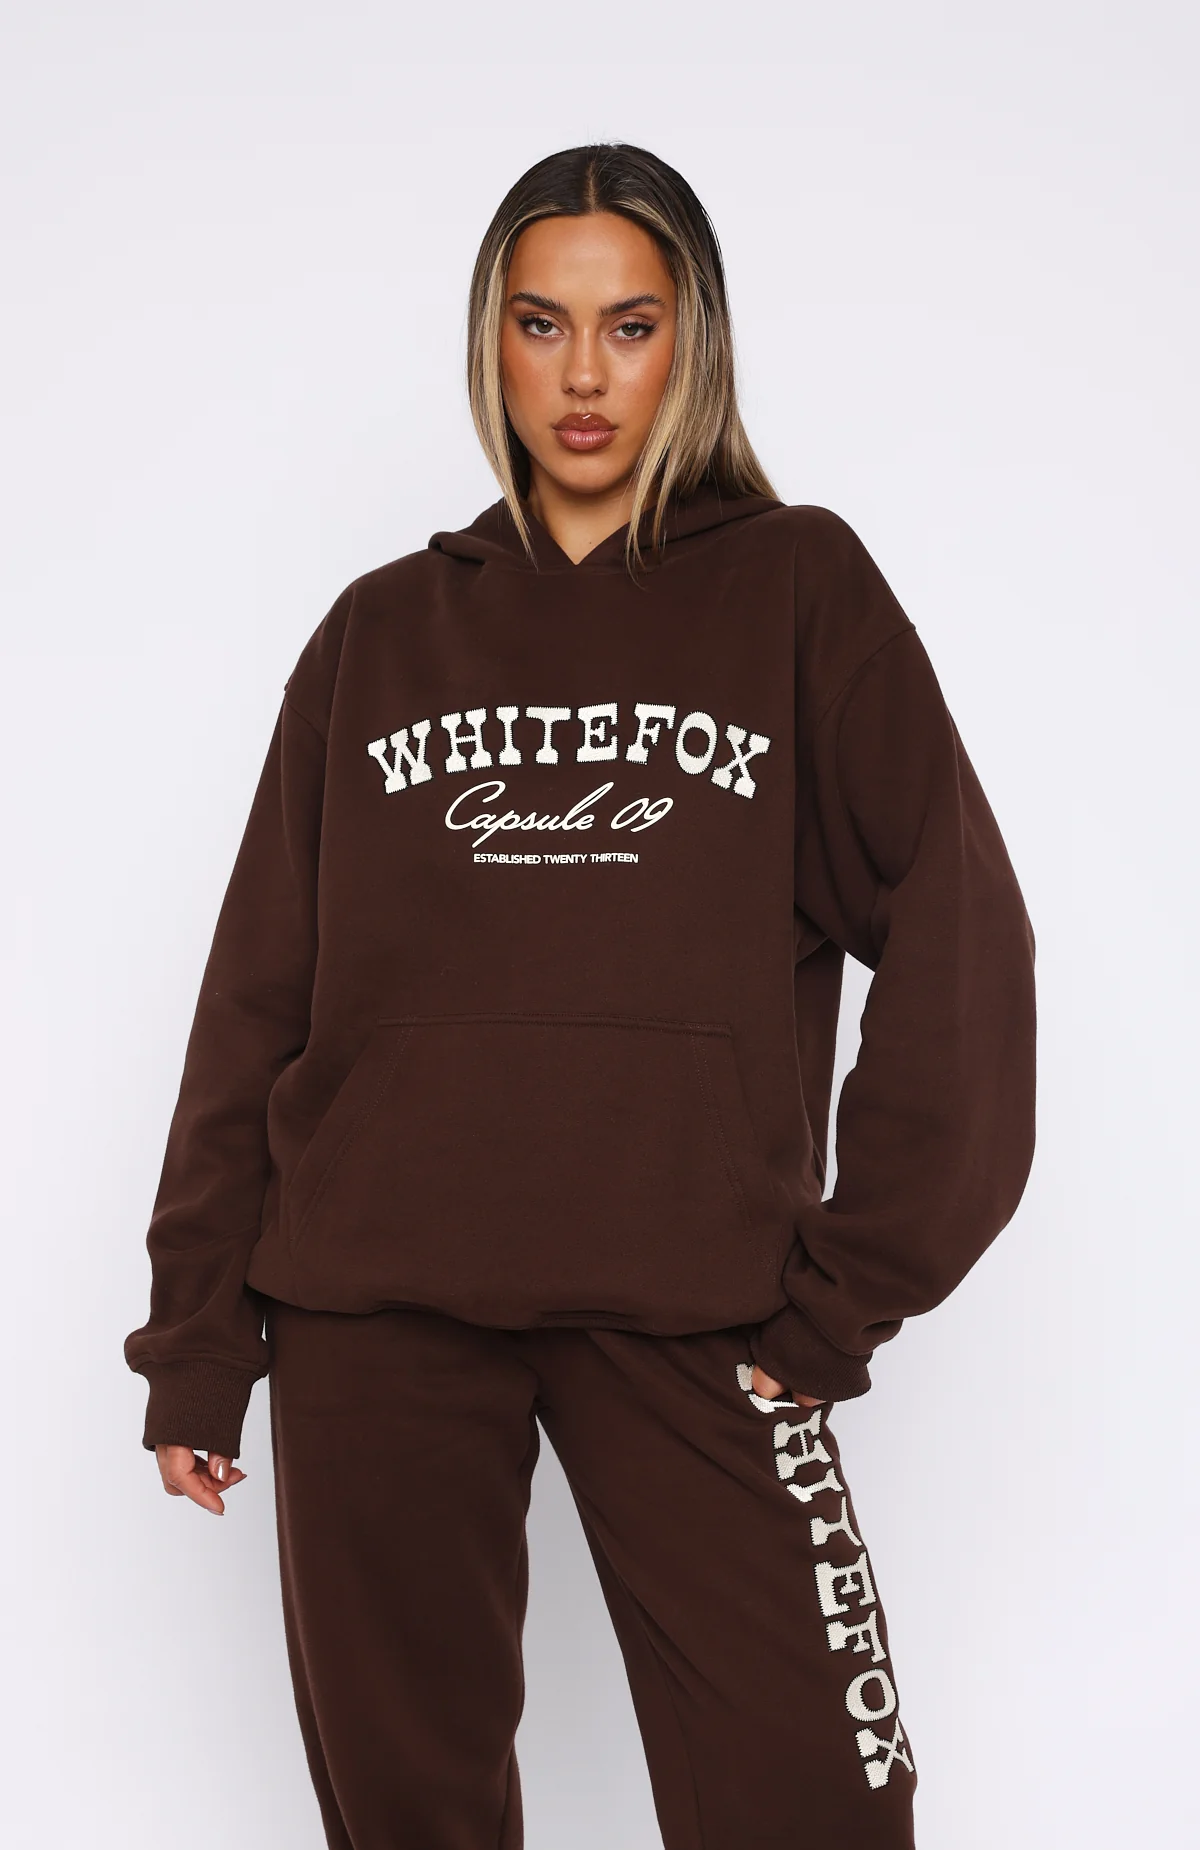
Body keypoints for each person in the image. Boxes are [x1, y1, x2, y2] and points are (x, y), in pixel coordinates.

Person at [123, 141, 1036, 1849]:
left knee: (818, 1805)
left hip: (702, 1311)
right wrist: (195, 1345)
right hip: (374, 1311)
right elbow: (257, 997)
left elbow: (964, 934)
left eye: (632, 324)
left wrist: (845, 1292)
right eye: (542, 323)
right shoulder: (380, 634)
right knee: (411, 1816)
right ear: (494, 340)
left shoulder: (799, 591)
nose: (586, 376)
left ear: (696, 340)